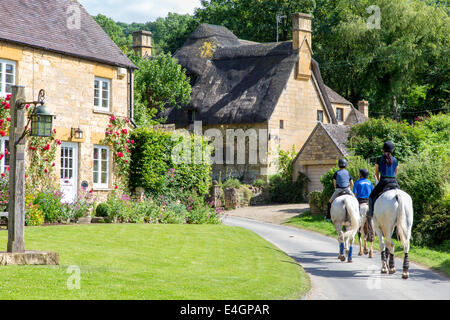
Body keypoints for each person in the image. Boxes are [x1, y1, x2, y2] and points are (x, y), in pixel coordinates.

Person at [367, 141, 400, 218]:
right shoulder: (395, 160)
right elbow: (396, 172)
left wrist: (379, 180)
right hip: (394, 181)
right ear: (392, 150)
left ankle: (371, 213)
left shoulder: (379, 159)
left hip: (384, 181)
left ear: (383, 149)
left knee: (371, 196)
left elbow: (377, 172)